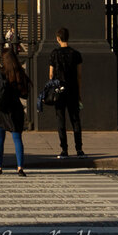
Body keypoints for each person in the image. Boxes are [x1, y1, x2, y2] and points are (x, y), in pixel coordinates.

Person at [0, 47, 31, 176]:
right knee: (17, 138)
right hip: (15, 108)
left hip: (2, 108)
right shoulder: (20, 72)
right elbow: (25, 95)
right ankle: (20, 167)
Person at [49, 26, 85, 158]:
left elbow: (51, 75)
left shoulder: (54, 54)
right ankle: (79, 149)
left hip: (59, 91)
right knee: (75, 120)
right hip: (73, 90)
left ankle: (64, 150)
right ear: (67, 38)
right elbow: (79, 76)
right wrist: (79, 93)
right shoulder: (76, 54)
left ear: (58, 38)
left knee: (61, 120)